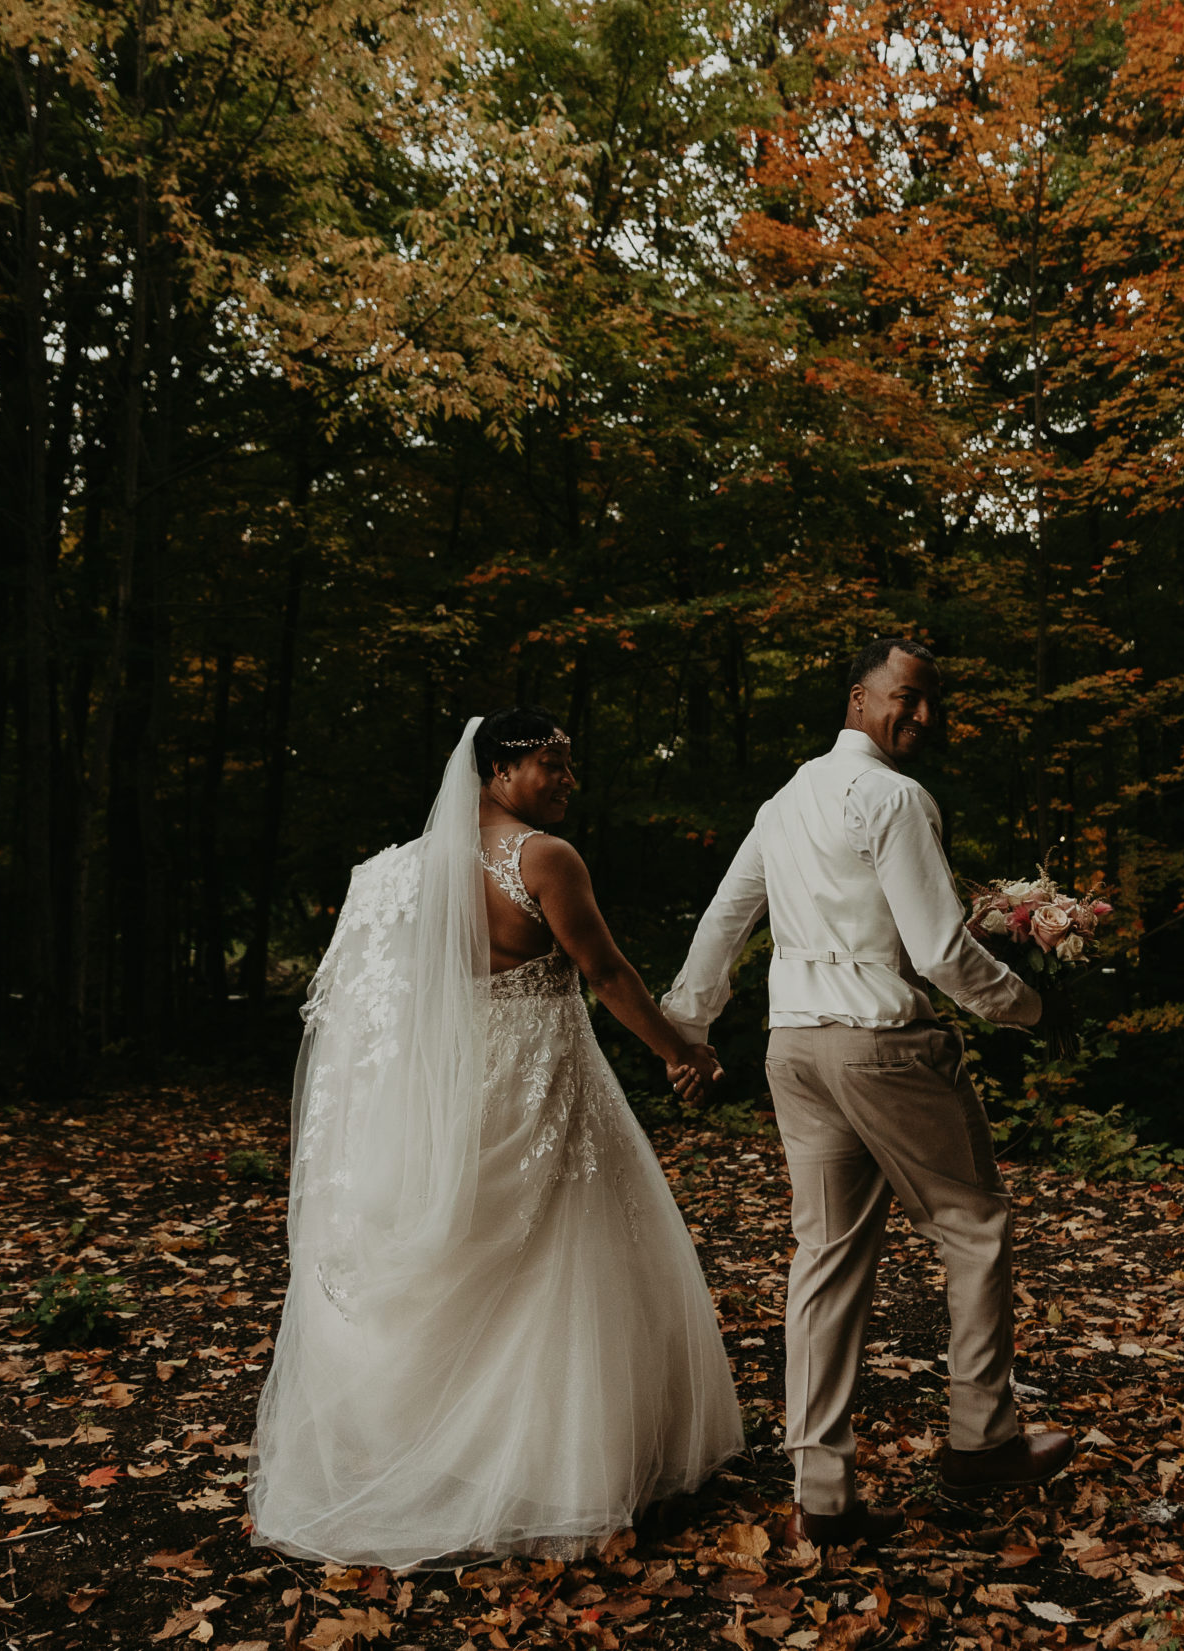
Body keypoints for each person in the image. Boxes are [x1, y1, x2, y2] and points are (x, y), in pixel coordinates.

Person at [247, 710, 742, 1568]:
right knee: (561, 1258)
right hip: (544, 1080)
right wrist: (680, 1054)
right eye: (553, 765)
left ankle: (454, 1449)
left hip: (450, 1091)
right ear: (498, 769)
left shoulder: (394, 871)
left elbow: (370, 1003)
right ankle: (565, 1469)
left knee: (471, 1258)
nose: (567, 782)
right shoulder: (544, 859)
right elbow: (607, 972)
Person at [660, 638, 1075, 1548]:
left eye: (933, 702)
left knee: (826, 1254)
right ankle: (982, 1436)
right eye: (907, 697)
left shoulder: (782, 802)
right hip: (885, 1046)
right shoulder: (894, 797)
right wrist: (1030, 1004)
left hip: (794, 1050)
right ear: (859, 697)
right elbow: (935, 953)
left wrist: (687, 1023)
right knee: (972, 1225)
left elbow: (726, 918)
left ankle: (822, 1486)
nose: (923, 716)